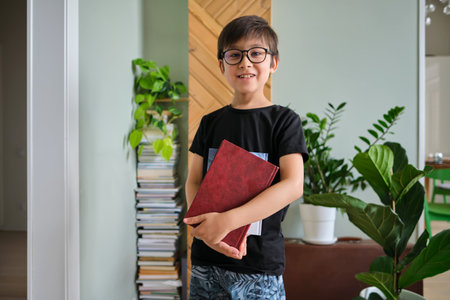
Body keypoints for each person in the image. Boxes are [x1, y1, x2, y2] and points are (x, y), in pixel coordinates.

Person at [183, 15, 309, 299]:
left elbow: (293, 185)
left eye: (256, 53)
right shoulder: (210, 122)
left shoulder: (284, 121)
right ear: (221, 65)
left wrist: (227, 222)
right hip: (206, 261)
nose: (245, 62)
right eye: (234, 55)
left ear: (273, 63)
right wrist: (206, 232)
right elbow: (193, 182)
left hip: (258, 266)